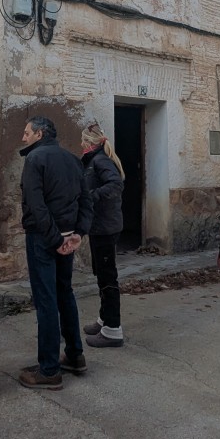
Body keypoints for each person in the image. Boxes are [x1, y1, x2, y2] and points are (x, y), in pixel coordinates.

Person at [17, 116, 93, 390]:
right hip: (66, 238)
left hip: (44, 240)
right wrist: (77, 234)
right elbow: (86, 201)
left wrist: (55, 239)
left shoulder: (35, 159)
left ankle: (49, 369)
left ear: (39, 134)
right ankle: (74, 355)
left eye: (27, 133)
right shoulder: (72, 159)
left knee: (47, 300)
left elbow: (35, 205)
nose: (23, 137)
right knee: (64, 293)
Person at [80, 122, 125, 347]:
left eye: (82, 141)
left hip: (105, 228)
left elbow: (115, 184)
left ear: (89, 142)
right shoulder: (96, 160)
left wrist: (92, 196)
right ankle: (104, 319)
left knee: (107, 277)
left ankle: (113, 330)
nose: (80, 144)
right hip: (101, 227)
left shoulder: (100, 161)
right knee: (101, 274)